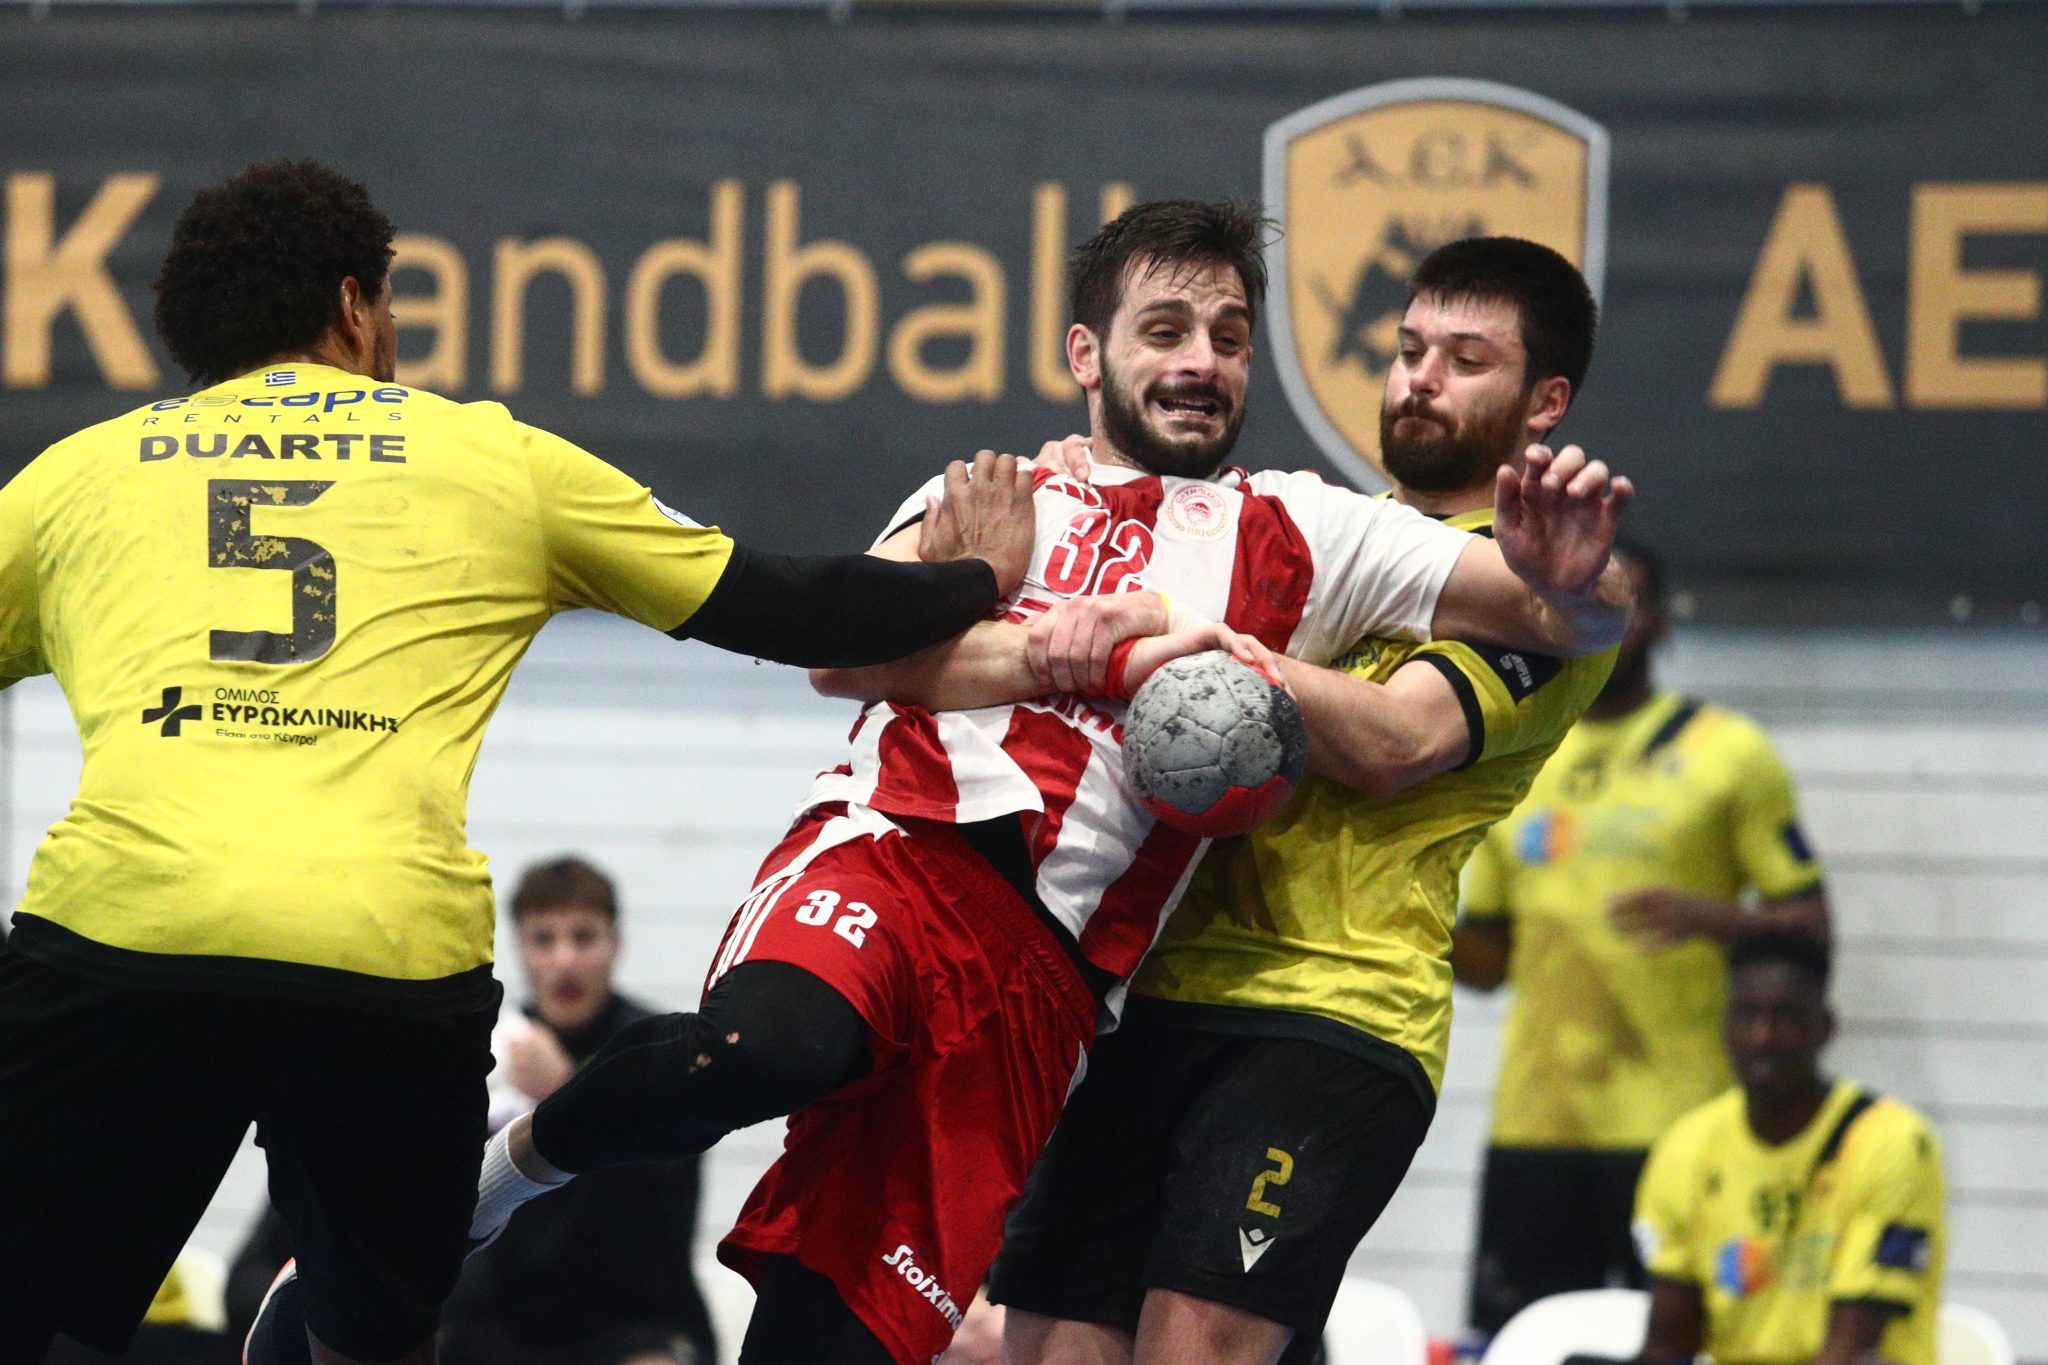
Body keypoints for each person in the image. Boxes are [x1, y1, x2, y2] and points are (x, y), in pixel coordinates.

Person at [467, 200, 1636, 1365]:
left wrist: (1577, 588)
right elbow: (843, 656)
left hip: (1060, 982)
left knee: (844, 1335)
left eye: (1228, 339)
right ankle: (494, 1180)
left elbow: (1558, 621)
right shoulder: (1000, 495)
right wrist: (1060, 639)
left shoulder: (1308, 532)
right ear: (1087, 353)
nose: (1199, 362)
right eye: (1164, 331)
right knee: (766, 1049)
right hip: (895, 858)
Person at [0, 159, 1037, 1365]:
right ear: (352, 306)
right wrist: (977, 580)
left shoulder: (73, 478)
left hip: (122, 936)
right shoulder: (489, 460)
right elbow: (791, 607)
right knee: (373, 1336)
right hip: (378, 953)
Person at [987, 237, 1618, 1365]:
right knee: (1042, 1347)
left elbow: (1395, 740)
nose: (1419, 380)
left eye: (1466, 360)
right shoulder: (1313, 535)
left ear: (1544, 402)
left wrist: (1201, 639)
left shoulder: (1541, 591)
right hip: (1150, 994)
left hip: (1330, 1014)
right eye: (1409, 350)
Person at [1452, 540, 1830, 1335]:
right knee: (1518, 1343)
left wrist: (1718, 919)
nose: (1600, 616)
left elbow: (1812, 928)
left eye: (1621, 600)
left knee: (1682, 1344)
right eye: (1577, 594)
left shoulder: (1727, 752)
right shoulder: (1513, 751)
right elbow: (1485, 960)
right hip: (1539, 1122)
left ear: (1658, 621)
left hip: (1683, 1126)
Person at [441, 856, 718, 1364]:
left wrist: (565, 1094)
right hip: (501, 1322)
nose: (565, 960)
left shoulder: (662, 1048)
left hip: (633, 1316)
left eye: (584, 937)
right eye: (543, 940)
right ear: (521, 950)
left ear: (615, 943)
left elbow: (663, 1201)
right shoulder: (487, 1050)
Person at [1628, 929, 1945, 1365]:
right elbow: (1669, 1344)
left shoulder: (1892, 1141)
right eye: (1747, 1016)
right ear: (1725, 1026)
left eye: (1785, 1018)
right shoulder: (1687, 1145)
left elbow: (1852, 1351)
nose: (1763, 1037)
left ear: (1825, 1027)